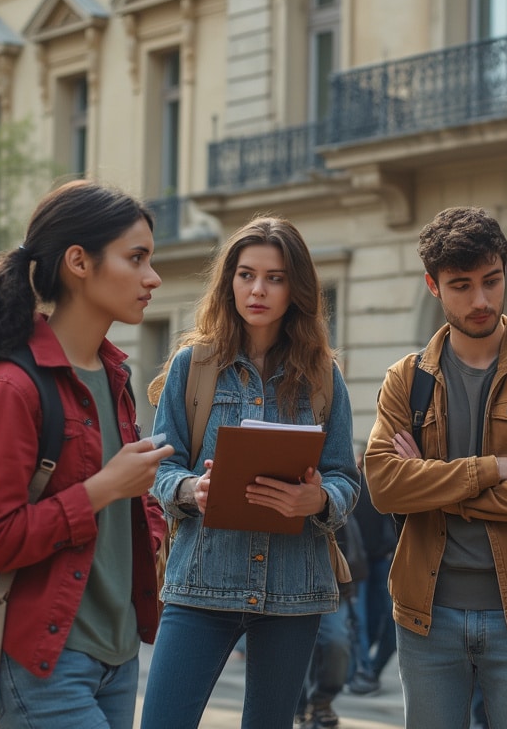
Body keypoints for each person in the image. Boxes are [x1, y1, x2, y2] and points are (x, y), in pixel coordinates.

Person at [0, 180, 170, 729]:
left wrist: (160, 513)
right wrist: (104, 488)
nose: (152, 277)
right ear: (79, 262)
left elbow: (131, 505)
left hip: (119, 654)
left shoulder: (114, 374)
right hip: (43, 660)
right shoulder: (11, 387)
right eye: (136, 259)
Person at [140, 215, 360, 729]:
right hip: (201, 582)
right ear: (229, 281)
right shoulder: (191, 366)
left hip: (293, 589)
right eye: (245, 274)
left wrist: (320, 500)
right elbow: (160, 467)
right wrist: (193, 489)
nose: (257, 289)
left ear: (296, 288)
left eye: (275, 277)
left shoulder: (323, 376)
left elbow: (346, 478)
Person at [366, 206, 507, 729]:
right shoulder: (405, 379)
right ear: (433, 286)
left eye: (491, 281)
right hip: (425, 612)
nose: (480, 300)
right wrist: (495, 469)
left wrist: (433, 484)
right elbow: (384, 486)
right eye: (461, 285)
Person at [297, 516, 367, 729]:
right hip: (289, 586)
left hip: (331, 584)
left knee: (337, 642)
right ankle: (299, 707)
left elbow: (350, 543)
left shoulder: (334, 487)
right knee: (295, 653)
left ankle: (322, 701)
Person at [346, 454, 398, 697]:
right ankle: (362, 673)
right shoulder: (345, 490)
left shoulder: (380, 484)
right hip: (357, 566)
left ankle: (371, 671)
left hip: (381, 561)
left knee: (388, 619)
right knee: (361, 620)